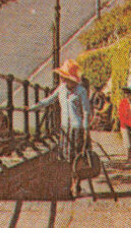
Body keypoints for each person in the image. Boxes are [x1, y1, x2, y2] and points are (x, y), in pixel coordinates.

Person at [36, 60, 94, 196]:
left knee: (77, 158)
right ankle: (70, 184)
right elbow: (49, 100)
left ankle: (76, 183)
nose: (61, 78)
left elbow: (86, 111)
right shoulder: (61, 88)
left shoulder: (81, 91)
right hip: (65, 128)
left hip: (77, 128)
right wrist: (34, 106)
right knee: (66, 158)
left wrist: (86, 129)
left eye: (63, 76)